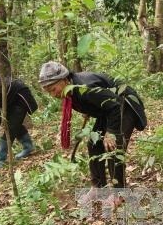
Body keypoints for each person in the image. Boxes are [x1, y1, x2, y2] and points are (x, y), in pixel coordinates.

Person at [38, 61, 147, 205]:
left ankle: (119, 193)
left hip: (123, 105)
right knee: (93, 143)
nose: (53, 94)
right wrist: (89, 108)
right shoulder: (72, 90)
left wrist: (111, 132)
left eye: (53, 89)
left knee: (112, 146)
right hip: (108, 110)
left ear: (64, 79)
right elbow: (98, 102)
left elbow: (115, 104)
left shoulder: (85, 88)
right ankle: (98, 187)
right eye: (49, 92)